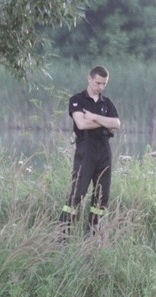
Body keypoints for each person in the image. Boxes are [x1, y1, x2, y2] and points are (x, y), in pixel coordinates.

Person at [59, 65, 121, 234]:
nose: (100, 87)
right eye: (97, 83)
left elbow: (116, 124)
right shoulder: (77, 100)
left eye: (104, 84)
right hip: (85, 149)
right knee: (77, 193)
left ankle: (94, 234)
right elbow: (81, 124)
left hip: (104, 149)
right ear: (90, 79)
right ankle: (62, 235)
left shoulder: (107, 103)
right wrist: (104, 122)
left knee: (102, 195)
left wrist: (94, 117)